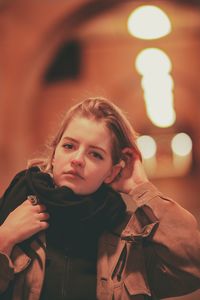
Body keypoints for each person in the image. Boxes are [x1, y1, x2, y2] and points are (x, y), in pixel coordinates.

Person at [0, 97, 200, 300]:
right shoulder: (16, 211)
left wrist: (141, 187)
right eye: (69, 146)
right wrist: (4, 238)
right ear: (54, 154)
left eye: (95, 154)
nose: (77, 160)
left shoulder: (129, 237)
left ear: (111, 172)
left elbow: (191, 267)